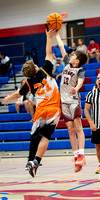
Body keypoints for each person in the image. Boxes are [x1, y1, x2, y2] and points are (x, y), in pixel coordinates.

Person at [3, 30, 61, 178]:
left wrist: (8, 98)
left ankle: (30, 161)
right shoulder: (46, 70)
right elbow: (48, 52)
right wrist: (49, 36)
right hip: (53, 109)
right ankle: (36, 161)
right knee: (46, 137)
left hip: (40, 111)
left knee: (34, 136)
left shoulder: (28, 83)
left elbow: (18, 94)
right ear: (35, 68)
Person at [55, 31, 87, 173]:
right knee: (70, 130)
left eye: (73, 55)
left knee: (78, 127)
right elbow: (61, 46)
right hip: (63, 101)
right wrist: (56, 34)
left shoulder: (80, 69)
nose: (71, 56)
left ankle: (82, 155)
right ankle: (76, 158)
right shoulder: (67, 64)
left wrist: (76, 88)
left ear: (77, 61)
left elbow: (80, 82)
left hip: (73, 101)